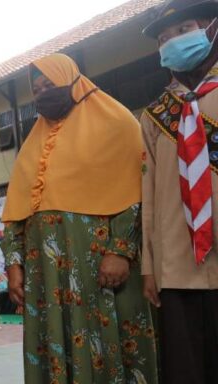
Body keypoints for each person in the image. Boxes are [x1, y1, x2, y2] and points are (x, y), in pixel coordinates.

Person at [1, 53, 157, 384]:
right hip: (46, 277)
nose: (43, 93)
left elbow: (137, 190)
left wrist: (120, 249)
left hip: (99, 269)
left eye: (51, 84)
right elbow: (17, 214)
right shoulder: (33, 144)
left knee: (106, 349)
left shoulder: (116, 122)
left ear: (73, 80)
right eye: (37, 88)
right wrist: (14, 265)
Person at [140, 1, 218, 383]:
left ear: (210, 28)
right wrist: (149, 267)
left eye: (183, 29)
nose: (172, 42)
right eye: (163, 39)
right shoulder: (155, 115)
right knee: (185, 372)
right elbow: (149, 195)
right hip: (177, 269)